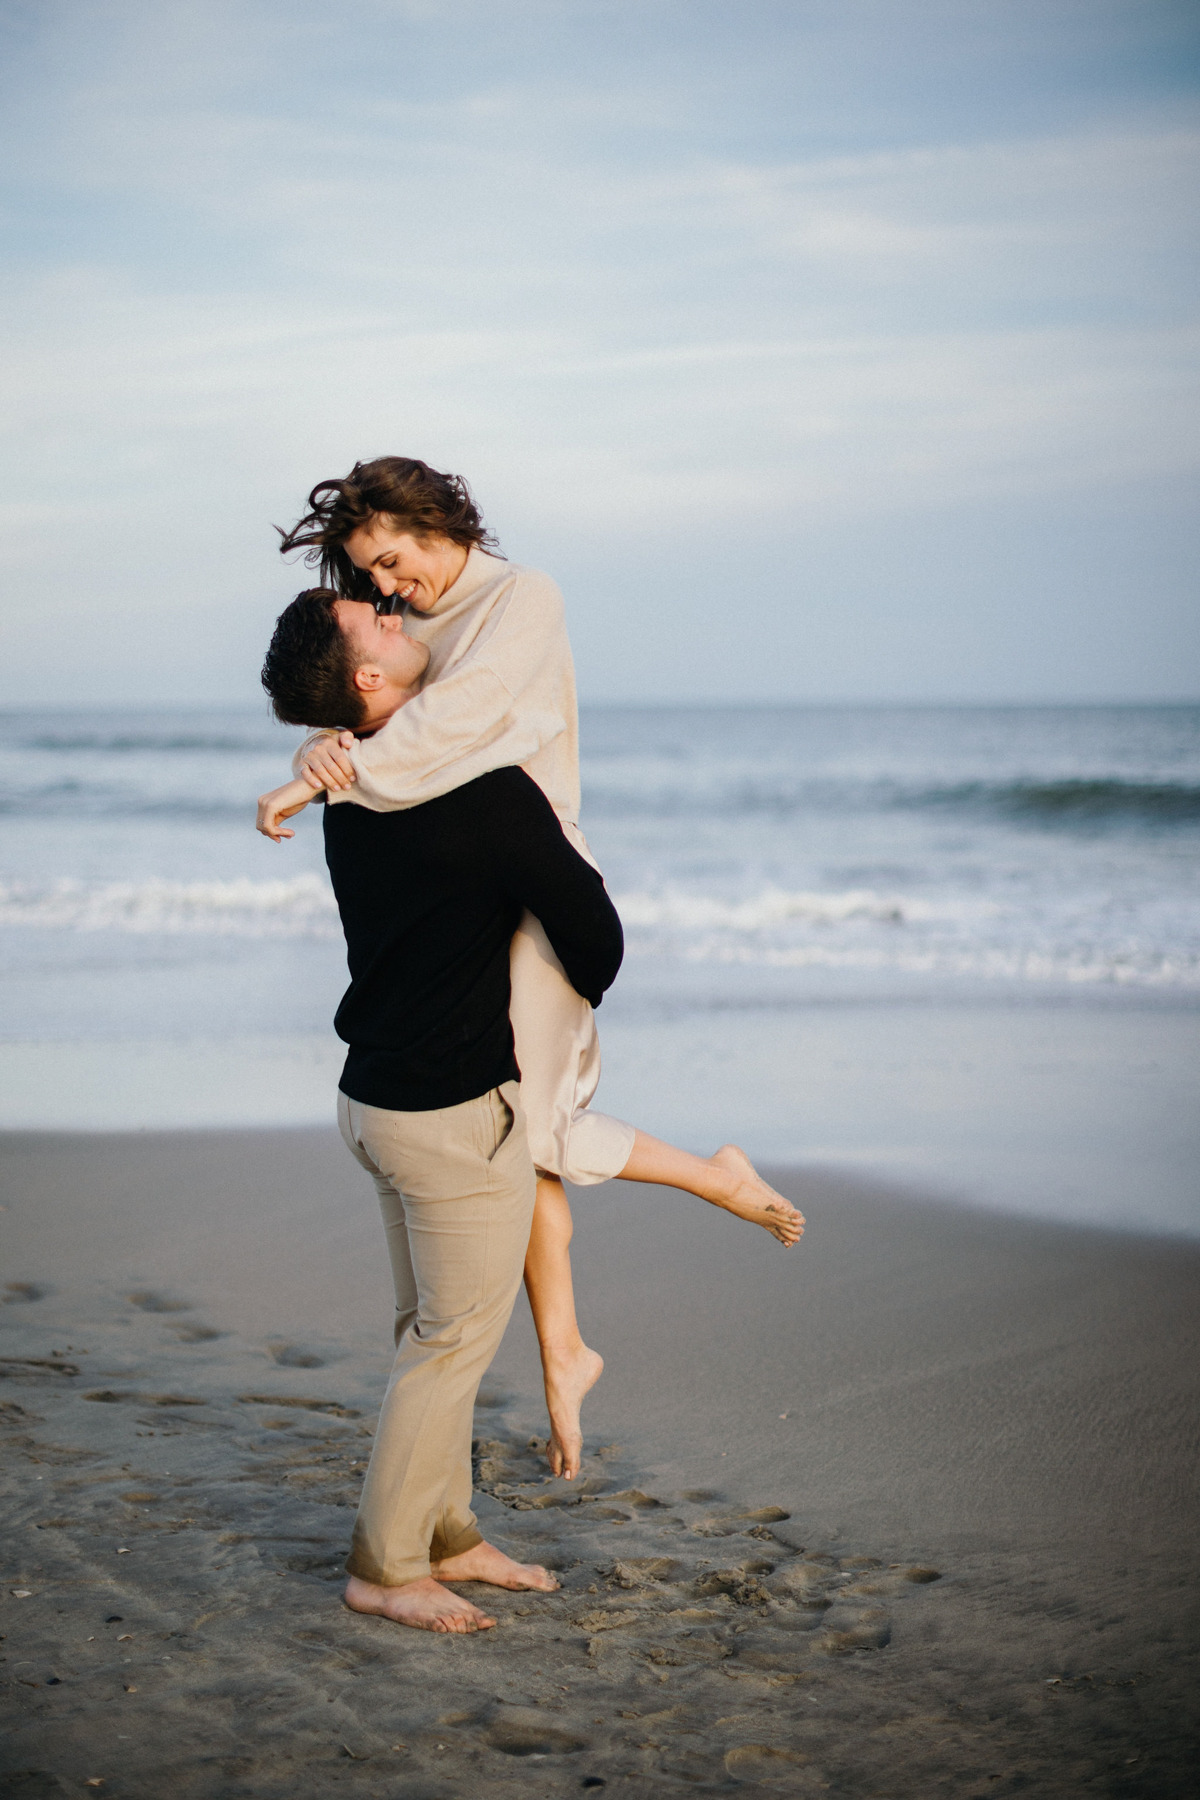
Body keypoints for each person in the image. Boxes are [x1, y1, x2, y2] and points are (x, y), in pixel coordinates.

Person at [257, 458, 804, 1482]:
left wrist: (321, 776)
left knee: (532, 1126)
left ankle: (708, 1184)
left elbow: (450, 731)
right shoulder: (417, 632)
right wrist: (323, 749)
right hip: (478, 888)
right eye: (373, 582)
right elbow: (386, 713)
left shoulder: (520, 599)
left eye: (393, 560)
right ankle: (565, 1352)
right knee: (519, 1122)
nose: (391, 591)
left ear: (431, 521)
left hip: (538, 885)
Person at [260, 589, 625, 1633]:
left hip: (374, 1101)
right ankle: (383, 1566)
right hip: (454, 1113)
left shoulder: (345, 783)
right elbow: (594, 944)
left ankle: (450, 1535)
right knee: (448, 1344)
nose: (389, 610)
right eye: (371, 619)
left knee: (434, 1333)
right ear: (369, 680)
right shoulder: (484, 793)